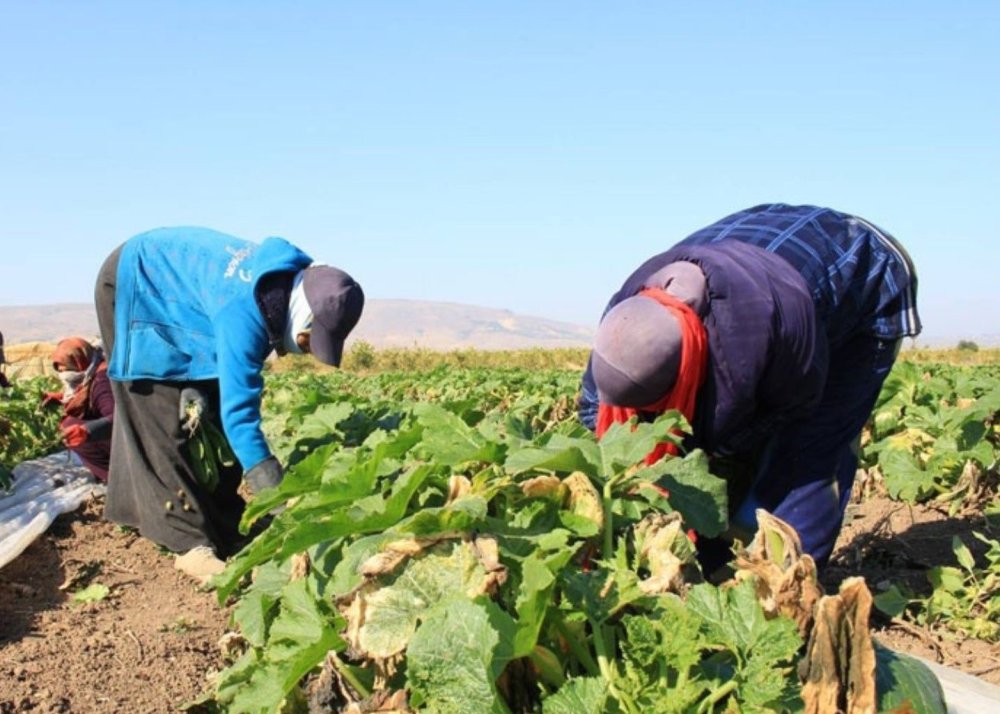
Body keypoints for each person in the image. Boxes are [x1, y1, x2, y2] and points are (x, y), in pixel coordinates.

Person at [579, 203, 921, 568]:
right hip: (773, 238)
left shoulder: (753, 338)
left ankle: (779, 588)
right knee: (707, 463)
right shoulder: (626, 319)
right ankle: (714, 555)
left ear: (684, 375)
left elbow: (790, 407)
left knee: (807, 454)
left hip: (863, 269)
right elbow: (597, 415)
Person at [94, 227, 364, 583]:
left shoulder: (282, 287)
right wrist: (281, 500)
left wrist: (198, 384)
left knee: (209, 415)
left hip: (181, 302)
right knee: (158, 412)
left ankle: (224, 523)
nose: (305, 350)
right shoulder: (246, 312)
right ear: (304, 314)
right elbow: (240, 418)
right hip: (135, 282)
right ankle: (187, 541)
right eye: (309, 339)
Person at [41, 337, 115, 482]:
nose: (65, 376)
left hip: (132, 441)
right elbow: (86, 398)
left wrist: (87, 431)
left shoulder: (102, 381)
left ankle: (115, 477)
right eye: (60, 371)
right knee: (70, 424)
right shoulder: (92, 371)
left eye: (68, 370)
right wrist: (59, 398)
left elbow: (120, 419)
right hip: (116, 438)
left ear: (80, 363)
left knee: (70, 427)